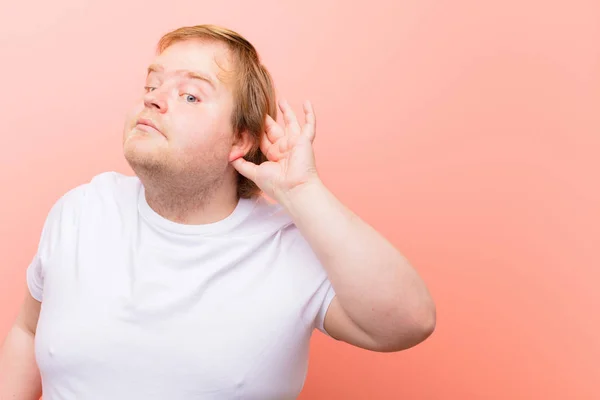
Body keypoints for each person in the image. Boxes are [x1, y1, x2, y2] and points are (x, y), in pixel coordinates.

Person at [0, 24, 436, 400]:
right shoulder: (80, 211)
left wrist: (303, 191)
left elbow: (407, 322)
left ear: (239, 141)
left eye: (189, 95)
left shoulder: (289, 246)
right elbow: (27, 330)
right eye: (151, 86)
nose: (153, 100)